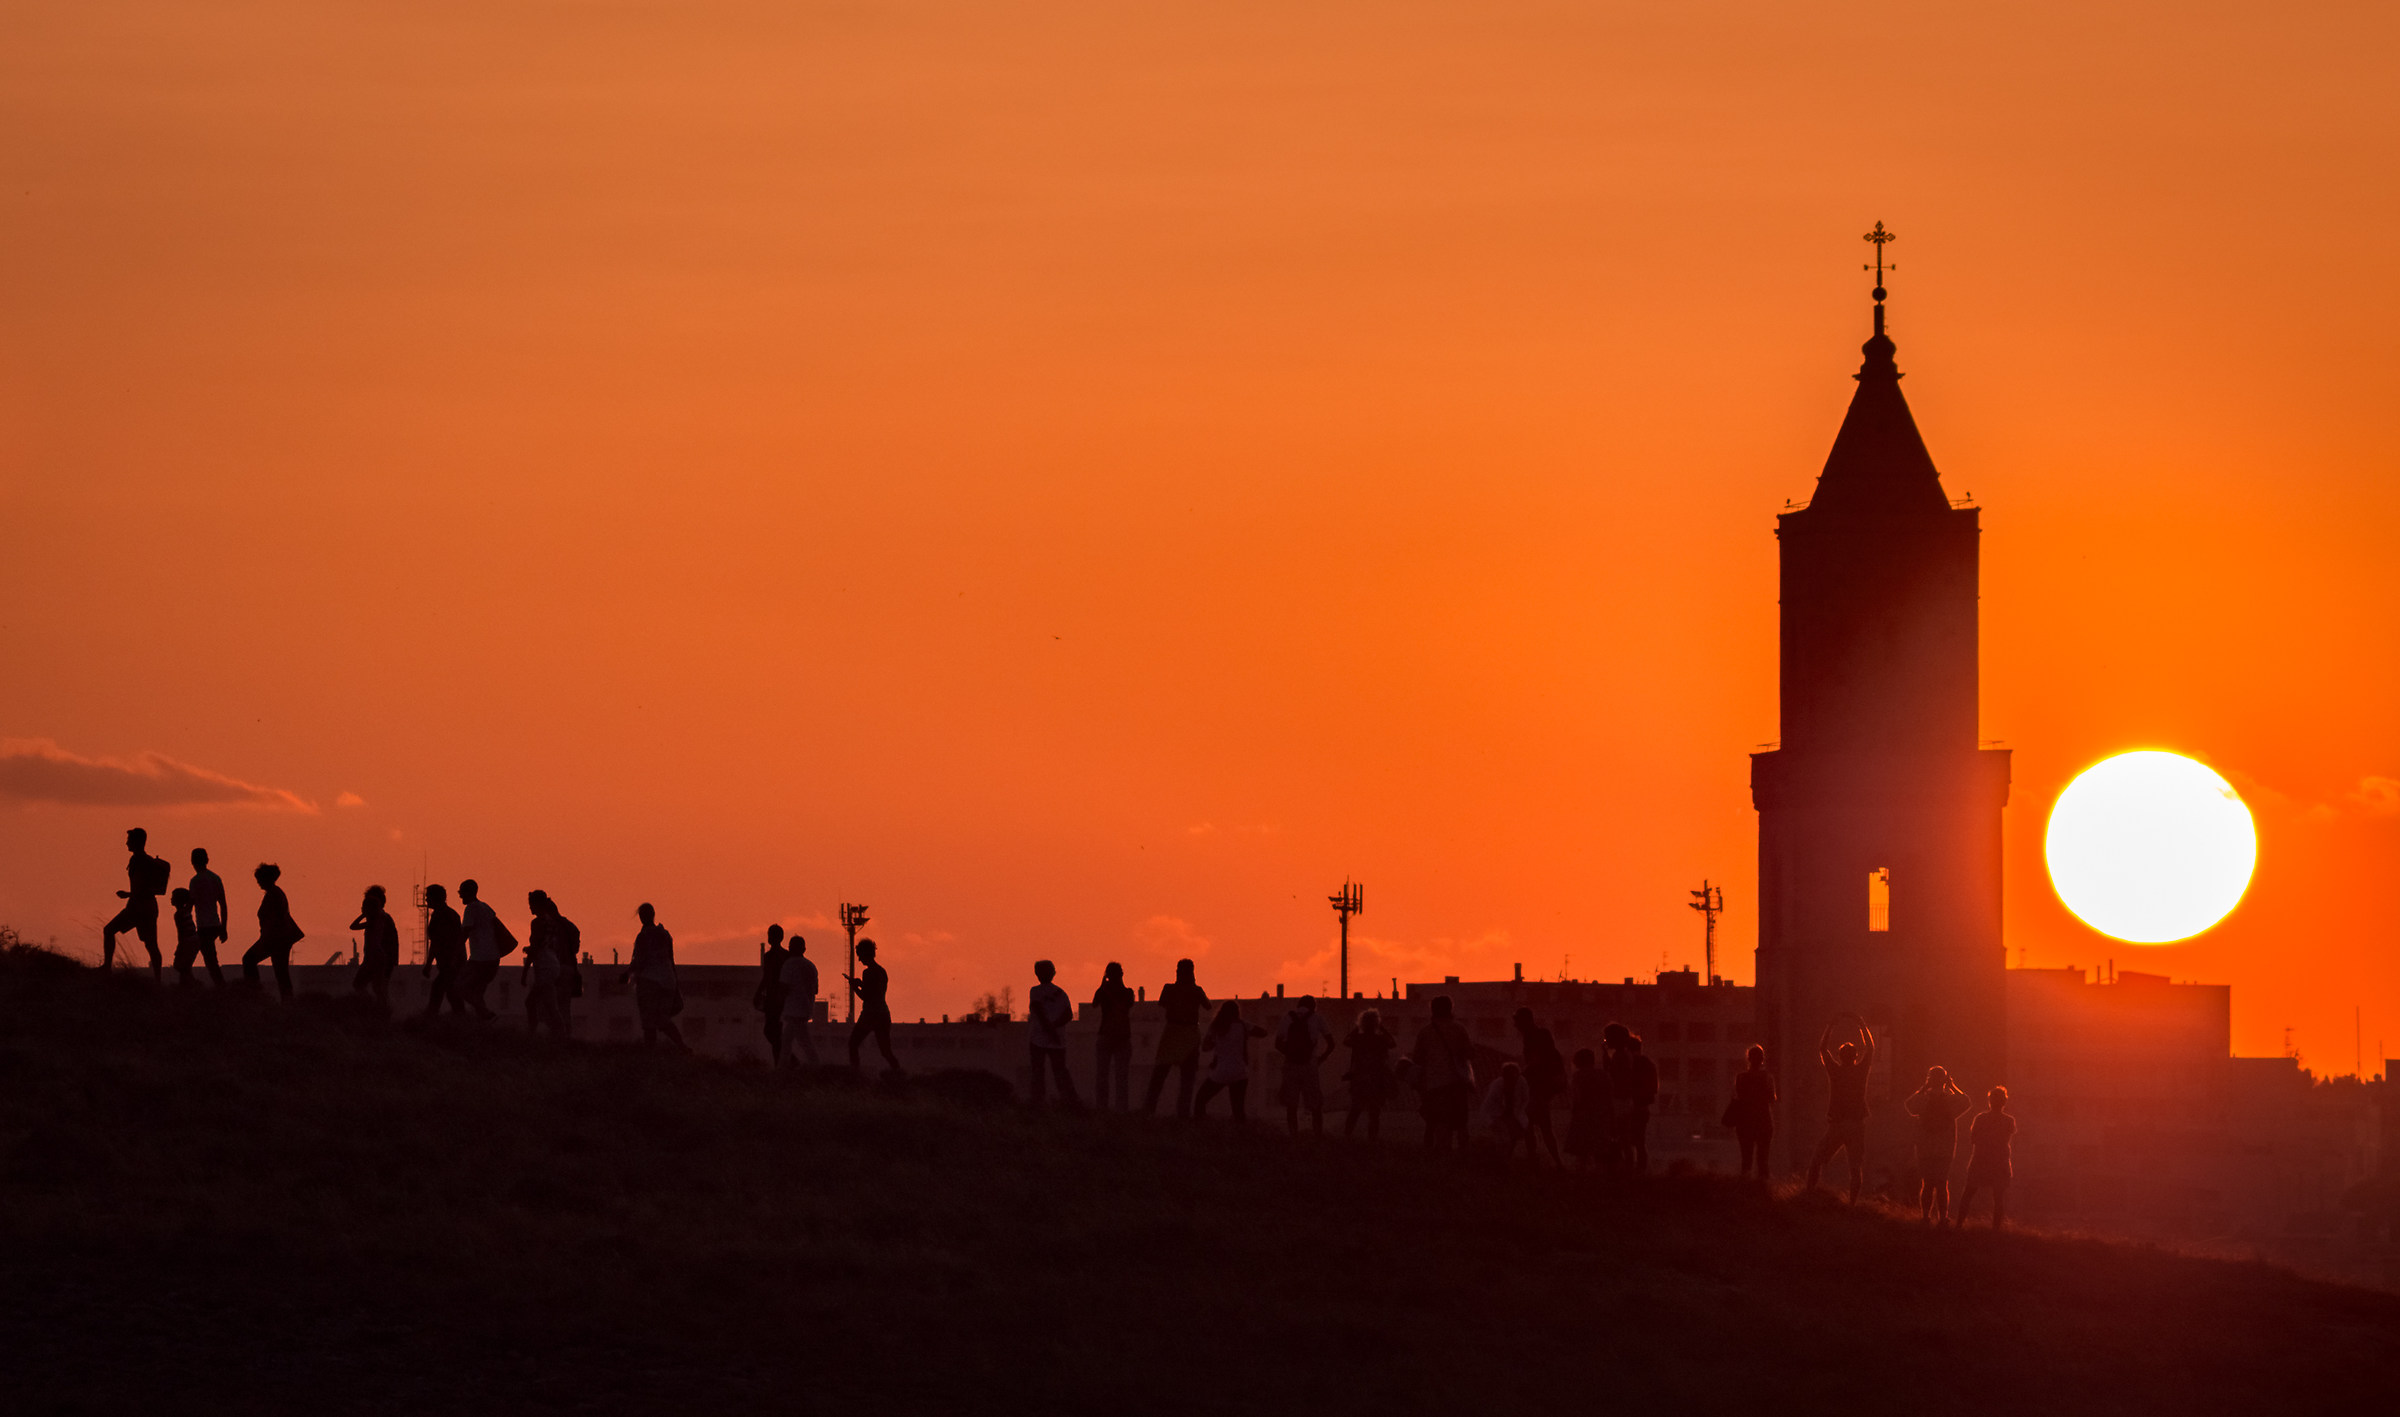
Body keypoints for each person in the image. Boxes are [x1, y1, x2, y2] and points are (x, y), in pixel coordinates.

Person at [1805, 1015, 1877, 1202]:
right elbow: (1870, 1048)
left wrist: (1830, 1026)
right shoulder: (1860, 1072)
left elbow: (1822, 1049)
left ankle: (1809, 1194)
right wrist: (1862, 1026)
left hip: (1837, 1125)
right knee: (1855, 1168)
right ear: (1855, 1057)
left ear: (1840, 1056)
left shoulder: (1835, 1072)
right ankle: (1852, 1203)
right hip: (1856, 1125)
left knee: (1817, 1160)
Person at [1906, 1065, 1973, 1224]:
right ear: (1944, 1081)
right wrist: (1952, 1086)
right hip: (1945, 1148)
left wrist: (1923, 1088)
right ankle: (1943, 1217)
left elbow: (1909, 1105)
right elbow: (1967, 1101)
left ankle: (1925, 1216)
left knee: (1927, 1184)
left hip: (1925, 1147)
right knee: (1942, 1184)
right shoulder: (1950, 1101)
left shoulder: (1923, 1099)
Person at [1143, 959, 1209, 1118]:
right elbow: (1207, 1005)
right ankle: (1182, 1114)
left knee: (1160, 1076)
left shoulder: (1169, 989)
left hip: (1173, 1033)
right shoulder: (1196, 990)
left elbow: (1162, 1004)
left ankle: (1148, 1109)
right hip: (1189, 1035)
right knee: (1186, 1079)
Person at [1410, 995, 1476, 1153]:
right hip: (1457, 1083)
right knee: (1461, 1123)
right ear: (1450, 1009)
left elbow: (1417, 1058)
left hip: (1434, 1085)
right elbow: (1470, 1053)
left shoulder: (1425, 1032)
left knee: (1440, 1122)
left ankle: (1442, 1155)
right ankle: (1463, 1156)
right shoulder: (1459, 1029)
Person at [102, 827, 169, 978]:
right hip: (143, 907)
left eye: (129, 840)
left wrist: (128, 894)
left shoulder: (142, 862)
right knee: (151, 945)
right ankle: (157, 979)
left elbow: (144, 889)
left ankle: (107, 967)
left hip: (140, 907)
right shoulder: (140, 860)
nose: (126, 843)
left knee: (110, 931)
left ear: (137, 842)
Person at [623, 902, 687, 1051]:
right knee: (662, 1019)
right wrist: (675, 984)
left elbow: (639, 960)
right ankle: (681, 1046)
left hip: (649, 982)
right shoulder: (665, 934)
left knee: (649, 1022)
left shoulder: (644, 936)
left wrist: (627, 973)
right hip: (667, 981)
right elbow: (671, 960)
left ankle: (650, 1052)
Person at [1192, 1000, 1266, 1123]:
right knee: (1238, 1110)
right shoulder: (1243, 1025)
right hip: (1240, 1072)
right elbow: (1263, 1032)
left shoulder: (1216, 1026)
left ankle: (1200, 1126)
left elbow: (1205, 1047)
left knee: (1200, 1100)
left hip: (1220, 1072)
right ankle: (1241, 1135)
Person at [1956, 1086, 2017, 1230]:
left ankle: (1959, 1225)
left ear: (1989, 1101)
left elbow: (1973, 1139)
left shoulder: (1981, 1118)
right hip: (1999, 1162)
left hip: (1981, 1160)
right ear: (2005, 1102)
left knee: (1968, 1193)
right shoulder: (2009, 1121)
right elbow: (2005, 1138)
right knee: (1998, 1197)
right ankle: (1996, 1229)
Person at [240, 863, 305, 998]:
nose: (258, 882)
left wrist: (267, 938)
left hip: (275, 939)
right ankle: (286, 1000)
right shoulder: (275, 894)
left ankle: (254, 993)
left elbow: (276, 918)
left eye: (259, 879)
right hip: (277, 939)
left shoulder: (274, 895)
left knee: (249, 960)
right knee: (281, 972)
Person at [1513, 1007, 1567, 1166]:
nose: (1516, 1026)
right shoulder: (1536, 1035)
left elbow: (1537, 1061)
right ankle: (1552, 1162)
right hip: (1541, 1087)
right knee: (1540, 1126)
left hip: (1539, 1087)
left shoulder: (1534, 1037)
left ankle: (1543, 1161)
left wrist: (1521, 1075)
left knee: (1537, 1126)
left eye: (1517, 1022)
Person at [455, 879, 515, 1021]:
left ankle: (486, 1014)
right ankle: (485, 1021)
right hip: (493, 958)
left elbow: (465, 932)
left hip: (480, 959)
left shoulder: (471, 908)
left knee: (460, 987)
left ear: (468, 892)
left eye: (461, 892)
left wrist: (455, 954)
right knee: (477, 993)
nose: (460, 896)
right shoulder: (486, 907)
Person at [1276, 995, 1336, 1136]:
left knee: (1291, 1105)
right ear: (1314, 1006)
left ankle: (1293, 1135)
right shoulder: (1317, 1018)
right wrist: (1321, 1058)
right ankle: (1317, 1136)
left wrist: (1290, 1054)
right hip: (1310, 1065)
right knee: (1315, 1105)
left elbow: (1277, 1044)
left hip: (1291, 1066)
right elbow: (1331, 1044)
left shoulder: (1288, 1017)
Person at [1604, 1026, 1660, 1173]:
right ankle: (1640, 1169)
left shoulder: (1626, 1061)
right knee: (1639, 1141)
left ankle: (1628, 1167)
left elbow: (1617, 1081)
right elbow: (1653, 1088)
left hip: (1629, 1104)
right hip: (1642, 1106)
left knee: (1625, 1139)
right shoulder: (1648, 1064)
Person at [1026, 960, 1081, 1108]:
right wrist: (1054, 1030)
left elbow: (1039, 1012)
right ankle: (1069, 1101)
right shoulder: (1061, 993)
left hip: (1039, 1039)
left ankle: (1041, 1102)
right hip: (1053, 1040)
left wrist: (1050, 1029)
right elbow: (1067, 1015)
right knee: (1059, 1071)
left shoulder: (1035, 991)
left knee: (1041, 1072)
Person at [524, 890, 578, 1040]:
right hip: (555, 966)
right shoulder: (555, 924)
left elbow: (536, 946)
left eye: (531, 905)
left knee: (545, 1005)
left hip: (547, 968)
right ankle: (557, 1034)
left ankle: (555, 1035)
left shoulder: (538, 923)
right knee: (549, 1004)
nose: (529, 908)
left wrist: (525, 971)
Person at [845, 938, 901, 1077]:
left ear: (865, 954)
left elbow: (866, 996)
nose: (858, 959)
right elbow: (876, 991)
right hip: (883, 1014)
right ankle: (899, 1074)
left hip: (870, 1014)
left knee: (853, 1044)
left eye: (859, 955)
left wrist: (854, 987)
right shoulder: (881, 971)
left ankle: (855, 1075)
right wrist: (860, 984)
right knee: (886, 1051)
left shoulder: (868, 972)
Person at [1724, 1044, 1779, 1182]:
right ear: (1762, 1059)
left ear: (1748, 1059)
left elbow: (1737, 1097)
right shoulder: (1767, 1077)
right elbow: (1772, 1098)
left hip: (1745, 1123)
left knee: (1746, 1160)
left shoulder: (1741, 1077)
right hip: (1763, 1122)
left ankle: (1745, 1190)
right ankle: (1764, 1191)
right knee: (1762, 1161)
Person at [1340, 1009, 1397, 1140]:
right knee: (1374, 1112)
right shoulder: (1380, 1039)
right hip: (1377, 1078)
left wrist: (1356, 1028)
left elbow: (1346, 1041)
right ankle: (1372, 1139)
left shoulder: (1358, 1039)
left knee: (1355, 1109)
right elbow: (1392, 1043)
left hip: (1360, 1078)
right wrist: (1382, 1028)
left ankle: (1347, 1136)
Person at [1090, 962, 1135, 1110]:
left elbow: (1094, 1004)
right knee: (1121, 1077)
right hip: (1122, 1036)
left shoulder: (1103, 991)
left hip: (1106, 1035)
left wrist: (1103, 984)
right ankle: (1121, 1108)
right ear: (1121, 974)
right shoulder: (1128, 993)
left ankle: (1102, 1107)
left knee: (1102, 1076)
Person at [350, 885, 400, 1013]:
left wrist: (385, 959)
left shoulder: (382, 919)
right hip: (377, 958)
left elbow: (382, 941)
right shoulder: (377, 918)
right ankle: (380, 1010)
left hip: (379, 959)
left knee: (377, 988)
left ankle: (381, 1010)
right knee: (378, 988)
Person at [420, 884, 467, 1018]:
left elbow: (437, 942)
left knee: (438, 989)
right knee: (452, 994)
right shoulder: (445, 914)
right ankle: (462, 1020)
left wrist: (429, 964)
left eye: (428, 897)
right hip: (450, 962)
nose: (426, 900)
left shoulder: (444, 916)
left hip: (451, 963)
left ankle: (429, 1018)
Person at [1564, 1048, 1613, 1171]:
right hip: (1601, 1114)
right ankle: (1600, 1176)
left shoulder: (1578, 1076)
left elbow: (1577, 1097)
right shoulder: (1603, 1074)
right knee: (1599, 1149)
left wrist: (1574, 1111)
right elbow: (1609, 1095)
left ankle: (1583, 1176)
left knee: (1582, 1150)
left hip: (1584, 1115)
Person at [186, 847, 229, 984]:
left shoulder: (195, 881)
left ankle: (221, 989)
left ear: (192, 861)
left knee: (210, 962)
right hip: (215, 924)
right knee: (210, 960)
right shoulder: (215, 878)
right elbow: (223, 905)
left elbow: (191, 904)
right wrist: (223, 927)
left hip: (204, 926)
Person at [779, 936, 821, 1066]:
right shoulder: (811, 966)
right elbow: (816, 990)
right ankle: (784, 1067)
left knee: (799, 1042)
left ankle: (814, 1066)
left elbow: (783, 987)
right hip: (805, 1008)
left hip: (792, 1009)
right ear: (804, 949)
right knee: (789, 1041)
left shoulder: (788, 965)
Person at [753, 925, 790, 1061]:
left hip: (773, 998)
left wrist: (758, 994)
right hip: (781, 998)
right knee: (775, 1031)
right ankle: (784, 1060)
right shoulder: (787, 955)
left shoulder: (769, 956)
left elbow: (767, 977)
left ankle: (787, 1059)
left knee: (770, 1031)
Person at [167, 888, 204, 987]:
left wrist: (180, 947)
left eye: (173, 897)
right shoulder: (186, 911)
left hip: (187, 941)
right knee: (185, 967)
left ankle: (191, 985)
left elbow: (181, 933)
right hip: (194, 940)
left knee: (181, 966)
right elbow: (191, 901)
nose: (171, 899)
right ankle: (188, 985)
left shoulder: (178, 914)